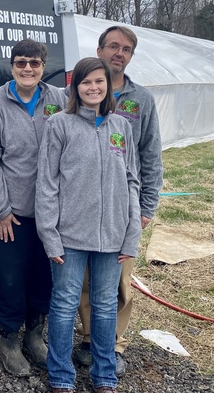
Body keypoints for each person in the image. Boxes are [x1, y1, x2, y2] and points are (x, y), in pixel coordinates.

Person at [36, 57, 141, 393]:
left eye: (100, 81)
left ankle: (104, 375)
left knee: (106, 304)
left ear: (108, 86)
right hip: (69, 236)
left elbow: (132, 181)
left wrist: (131, 235)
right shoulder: (59, 125)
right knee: (65, 304)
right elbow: (47, 184)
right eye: (86, 82)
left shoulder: (120, 127)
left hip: (112, 236)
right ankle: (61, 376)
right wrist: (50, 237)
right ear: (75, 88)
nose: (93, 87)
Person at [74, 26, 164, 377]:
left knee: (118, 279)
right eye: (113, 46)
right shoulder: (82, 92)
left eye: (126, 49)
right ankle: (87, 337)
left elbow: (150, 154)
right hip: (83, 205)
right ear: (99, 50)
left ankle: (113, 343)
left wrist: (146, 206)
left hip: (122, 206)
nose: (119, 53)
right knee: (84, 278)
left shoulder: (140, 100)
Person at [0, 39, 67, 376]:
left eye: (34, 62)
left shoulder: (58, 100)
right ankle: (9, 338)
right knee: (11, 277)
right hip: (10, 214)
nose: (27, 68)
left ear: (44, 66)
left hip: (51, 211)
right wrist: (0, 209)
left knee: (44, 275)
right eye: (20, 62)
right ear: (11, 65)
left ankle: (35, 333)